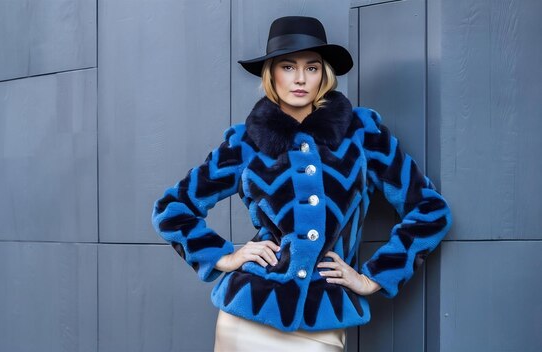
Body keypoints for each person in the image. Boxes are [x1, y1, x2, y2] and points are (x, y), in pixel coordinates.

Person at [152, 16, 451, 351]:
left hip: (323, 317)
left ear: (325, 74)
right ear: (271, 73)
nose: (300, 79)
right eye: (287, 66)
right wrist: (225, 258)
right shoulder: (245, 143)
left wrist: (373, 277)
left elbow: (430, 210)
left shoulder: (362, 134)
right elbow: (172, 210)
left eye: (312, 68)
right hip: (249, 314)